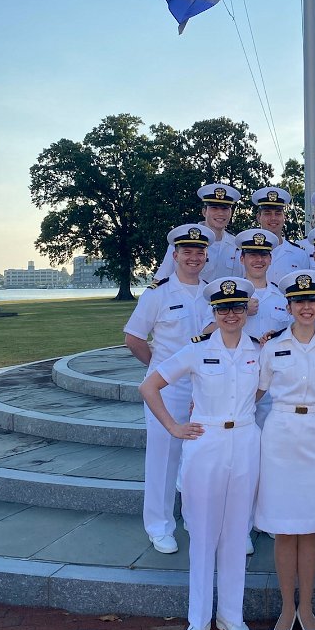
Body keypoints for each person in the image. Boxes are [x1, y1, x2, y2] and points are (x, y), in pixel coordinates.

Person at [139, 277, 260, 630]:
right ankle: (198, 619)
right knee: (203, 534)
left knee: (236, 533)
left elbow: (264, 387)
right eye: (223, 308)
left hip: (245, 441)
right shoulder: (196, 350)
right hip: (205, 443)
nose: (230, 314)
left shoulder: (260, 350)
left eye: (236, 307)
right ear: (214, 312)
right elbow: (149, 386)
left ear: (245, 310)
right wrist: (173, 427)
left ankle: (231, 615)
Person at [255, 271, 315, 630]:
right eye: (298, 301)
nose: (306, 307)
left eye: (312, 301)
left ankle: (306, 608)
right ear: (288, 307)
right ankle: (287, 608)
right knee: (283, 527)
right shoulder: (272, 346)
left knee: (310, 527)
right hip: (280, 435)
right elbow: (256, 391)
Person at [124, 223, 215, 554]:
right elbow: (134, 339)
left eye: (199, 252)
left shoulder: (212, 294)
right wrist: (159, 370)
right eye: (186, 251)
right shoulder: (157, 294)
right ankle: (159, 526)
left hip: (204, 387)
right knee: (163, 460)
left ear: (206, 256)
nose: (193, 257)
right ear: (175, 255)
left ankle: (194, 518)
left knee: (198, 458)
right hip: (169, 389)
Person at [153, 183, 242, 282]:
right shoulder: (182, 240)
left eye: (225, 209)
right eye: (214, 208)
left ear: (230, 213)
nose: (220, 213)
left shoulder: (237, 246)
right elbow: (160, 279)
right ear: (204, 212)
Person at [251, 186, 311, 284]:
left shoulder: (299, 254)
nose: (273, 218)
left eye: (278, 213)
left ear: (284, 217)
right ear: (258, 217)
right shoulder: (246, 254)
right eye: (267, 213)